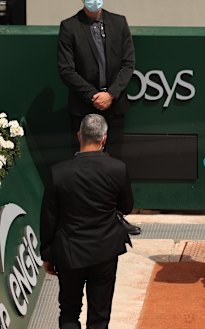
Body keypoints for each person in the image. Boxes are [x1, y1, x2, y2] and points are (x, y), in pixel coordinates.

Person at [40, 114, 133, 328]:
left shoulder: (58, 173)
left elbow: (48, 218)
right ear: (104, 138)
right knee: (100, 316)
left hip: (69, 254)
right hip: (105, 252)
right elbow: (126, 207)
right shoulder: (118, 169)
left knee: (69, 312)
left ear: (79, 135)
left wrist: (47, 254)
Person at [57, 0, 135, 160]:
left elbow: (128, 64)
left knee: (114, 162)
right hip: (83, 106)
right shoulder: (69, 27)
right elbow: (66, 70)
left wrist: (111, 94)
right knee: (82, 163)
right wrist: (93, 95)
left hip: (114, 107)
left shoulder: (119, 23)